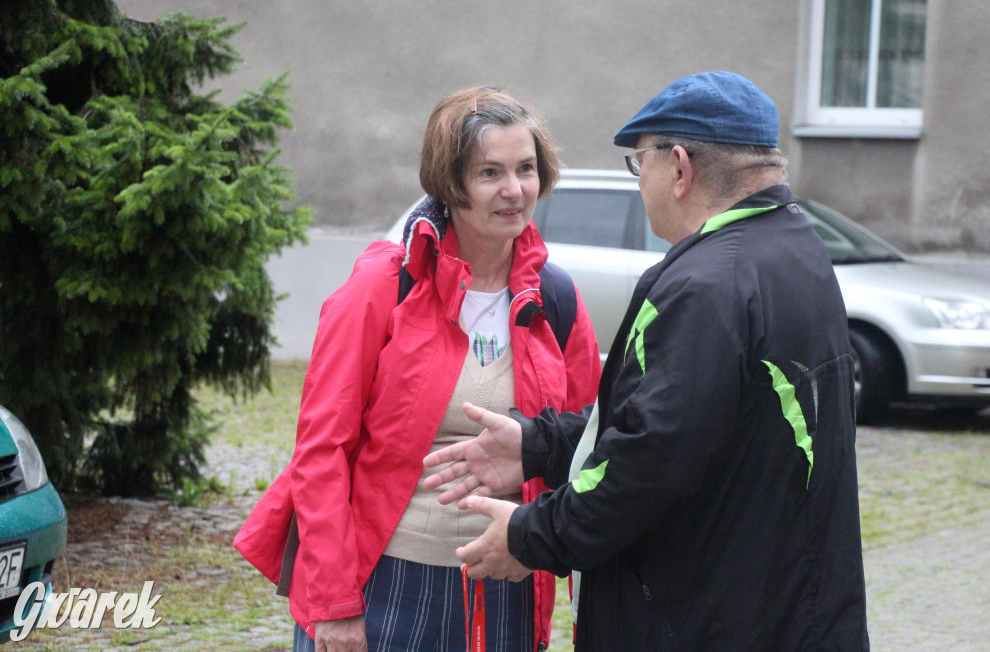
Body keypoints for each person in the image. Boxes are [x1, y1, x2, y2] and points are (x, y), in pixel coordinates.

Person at [425, 71, 870, 650]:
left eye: (641, 165)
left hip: (702, 618)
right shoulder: (796, 250)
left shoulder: (704, 285)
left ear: (679, 167)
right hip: (784, 607)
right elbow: (699, 422)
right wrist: (542, 443)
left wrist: (533, 533)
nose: (641, 184)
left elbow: (651, 462)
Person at [233, 86, 602, 652]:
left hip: (508, 581)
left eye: (526, 169)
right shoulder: (384, 286)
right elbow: (321, 449)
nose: (514, 190)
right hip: (387, 584)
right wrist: (334, 604)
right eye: (489, 173)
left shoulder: (555, 299)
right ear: (450, 184)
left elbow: (585, 449)